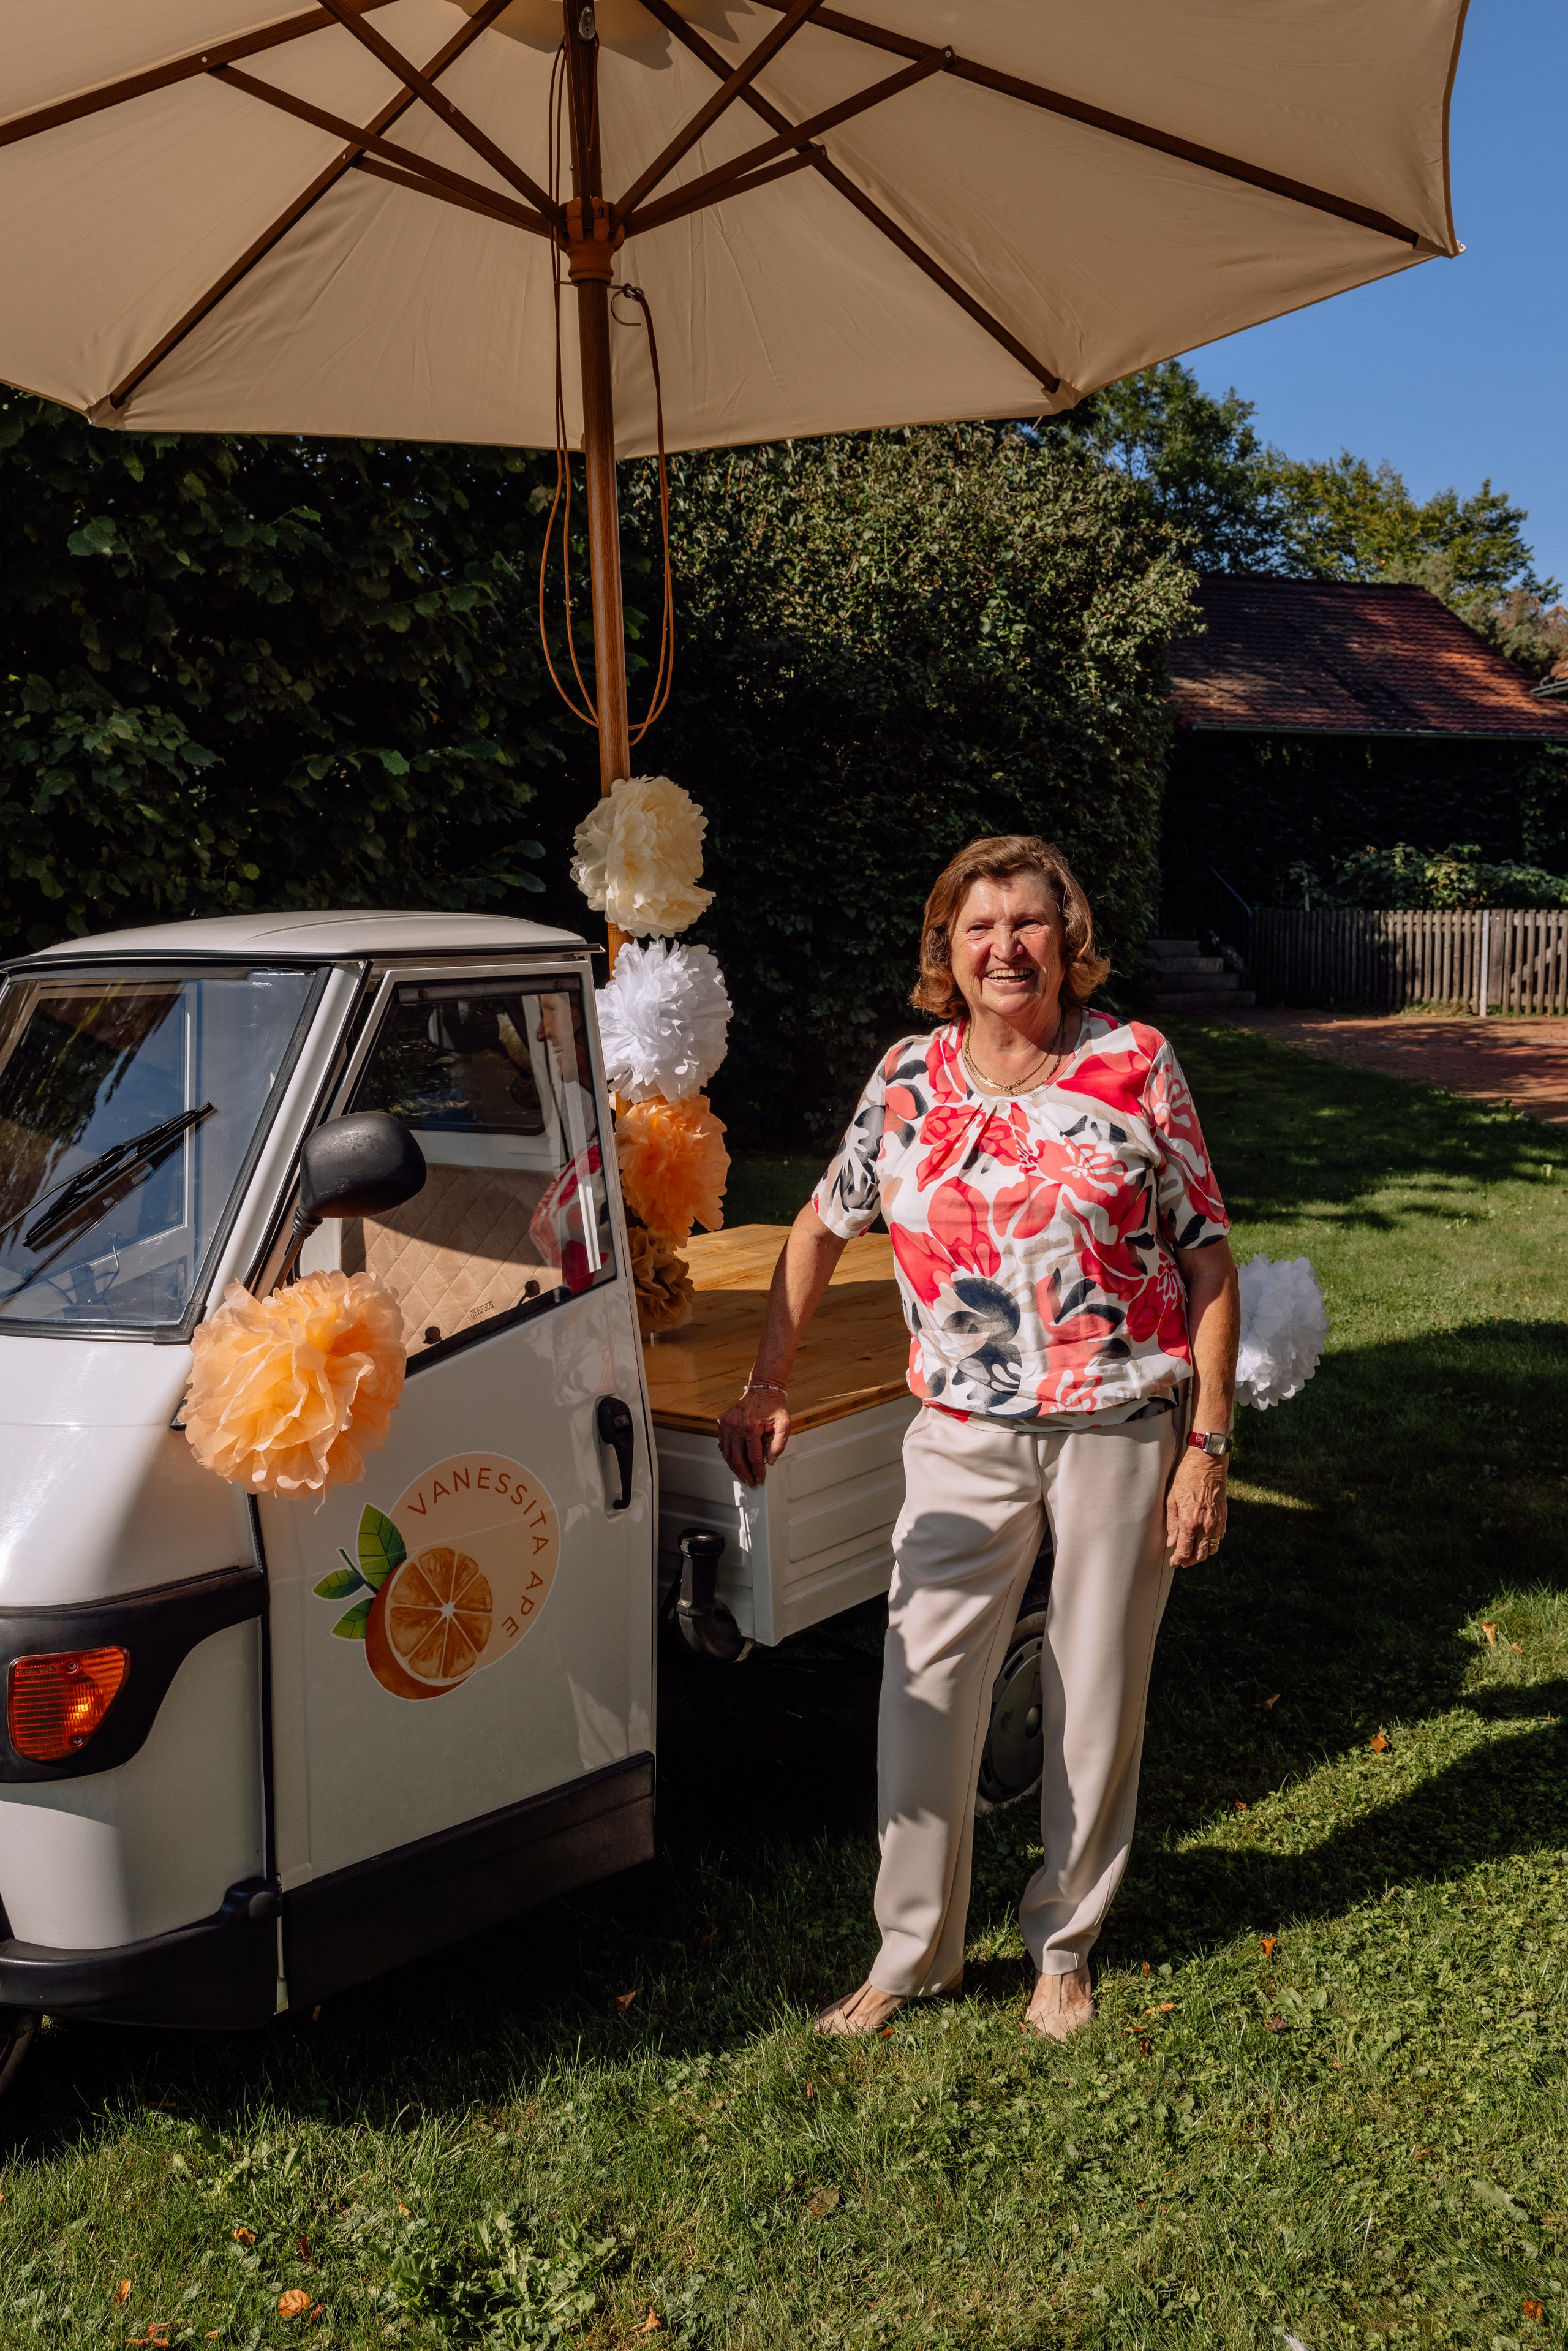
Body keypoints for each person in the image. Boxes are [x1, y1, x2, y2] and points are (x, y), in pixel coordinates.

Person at [717, 836, 1238, 2040]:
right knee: (920, 1691)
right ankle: (911, 1954)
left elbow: (1206, 1254)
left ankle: (1061, 1941)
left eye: (1026, 922)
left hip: (1116, 1423)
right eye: (976, 925)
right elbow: (815, 1224)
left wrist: (1206, 1440)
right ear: (943, 951)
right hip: (957, 1431)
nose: (1002, 945)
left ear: (1068, 938)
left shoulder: (1132, 1063)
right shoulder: (905, 1078)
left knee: (1094, 1690)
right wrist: (765, 1380)